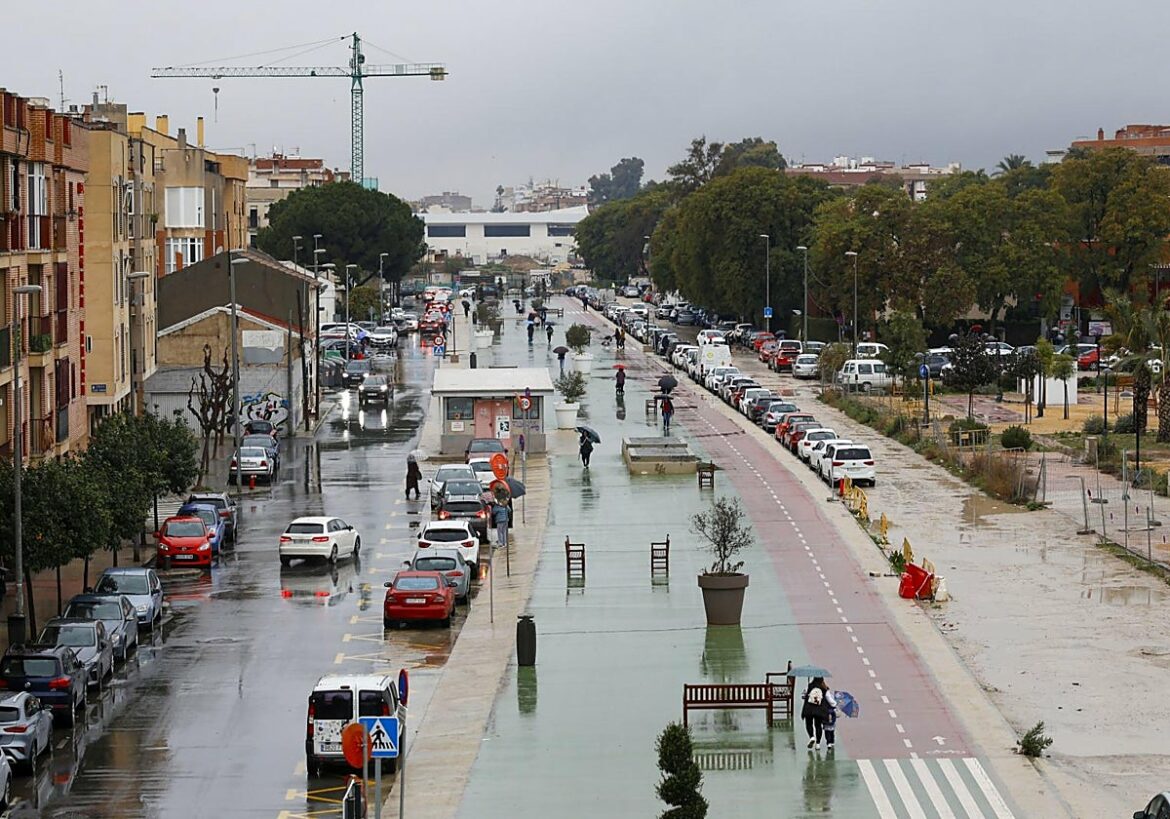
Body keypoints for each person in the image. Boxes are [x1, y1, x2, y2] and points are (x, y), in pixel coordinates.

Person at [801, 677, 835, 750]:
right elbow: (830, 701)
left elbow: (803, 696)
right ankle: (818, 744)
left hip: (809, 709)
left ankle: (812, 737)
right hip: (819, 710)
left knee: (809, 724)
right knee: (818, 726)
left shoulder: (809, 686)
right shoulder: (824, 688)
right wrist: (835, 705)